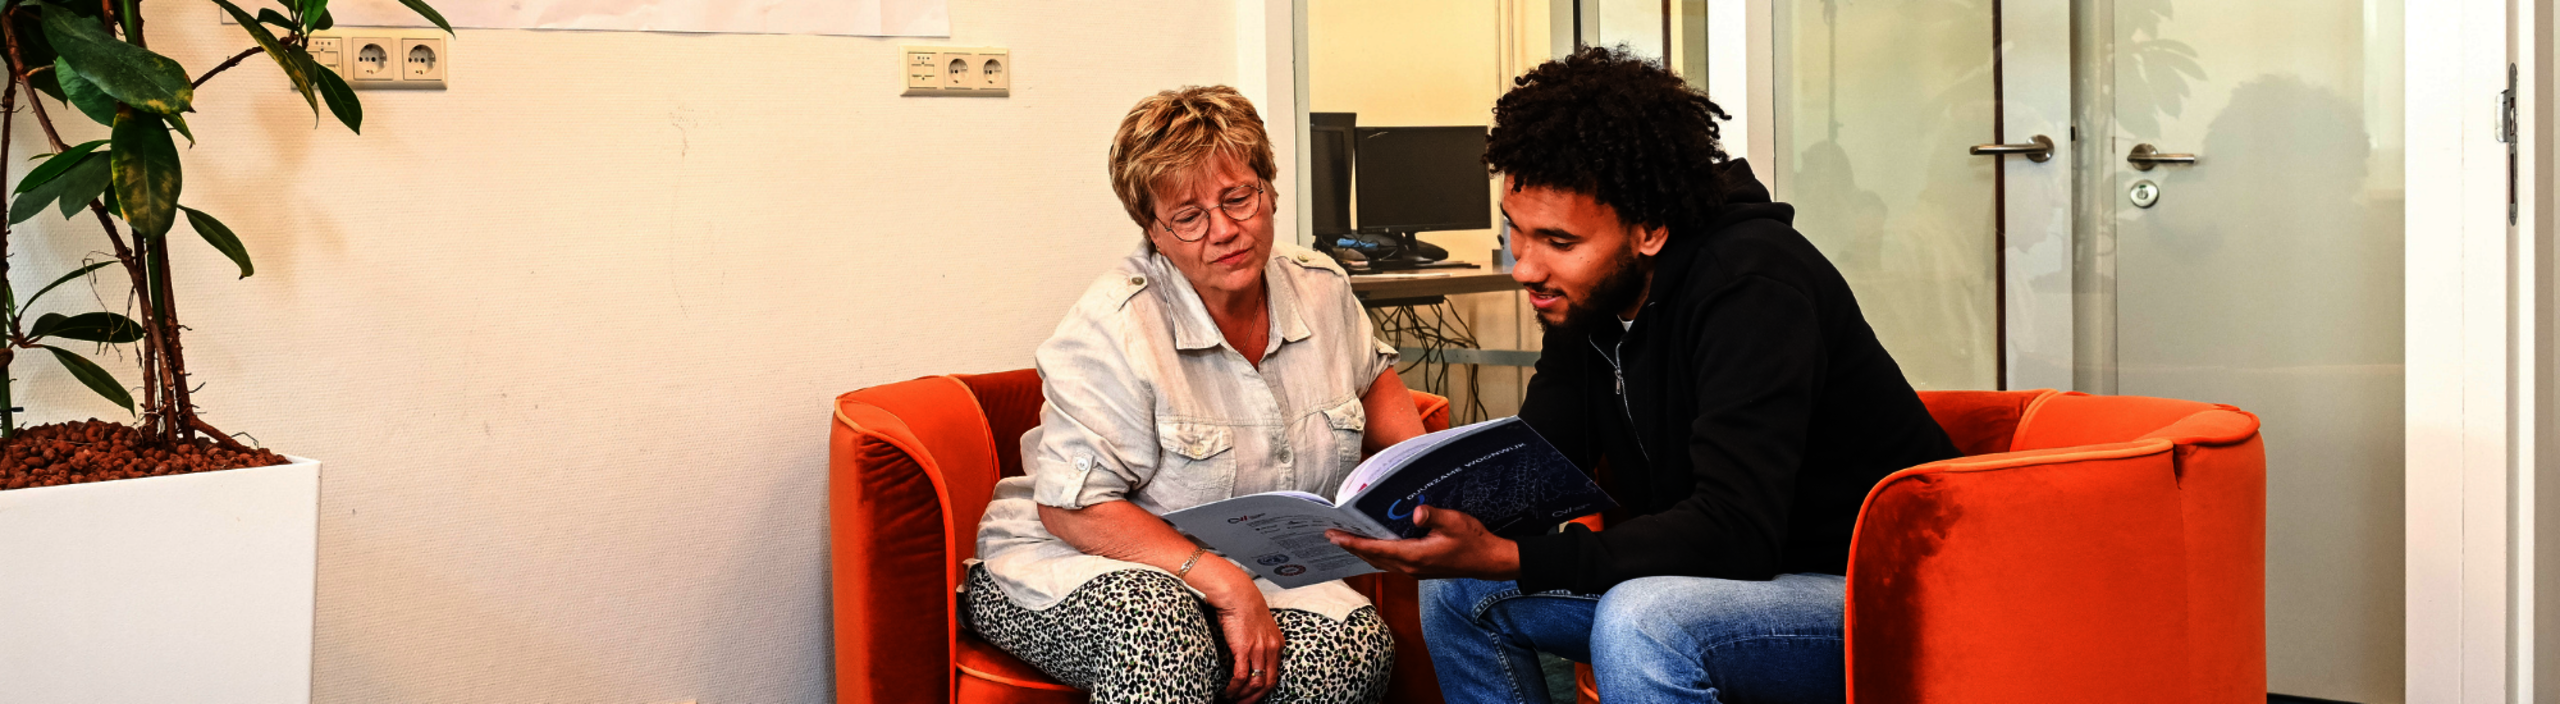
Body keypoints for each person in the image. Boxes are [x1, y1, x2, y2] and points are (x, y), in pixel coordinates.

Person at [1327, 47, 1961, 704]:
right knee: (1459, 588)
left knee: (1645, 622)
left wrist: (1514, 556)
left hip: (1879, 595)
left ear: (1649, 229)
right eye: (1517, 231)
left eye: (1559, 242)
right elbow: (1540, 466)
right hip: (1726, 584)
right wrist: (1414, 522)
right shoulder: (1589, 299)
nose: (1525, 268)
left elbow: (1735, 530)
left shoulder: (1753, 286)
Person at [963, 85, 1426, 704]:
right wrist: (1221, 583)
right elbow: (1071, 509)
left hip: (1258, 566)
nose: (1225, 230)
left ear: (1270, 191)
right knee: (1160, 630)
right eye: (1189, 216)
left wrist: (1433, 481)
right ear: (1154, 232)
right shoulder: (1115, 324)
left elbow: (1374, 387)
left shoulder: (1321, 287)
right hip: (1076, 565)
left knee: (1348, 650)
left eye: (1239, 198)